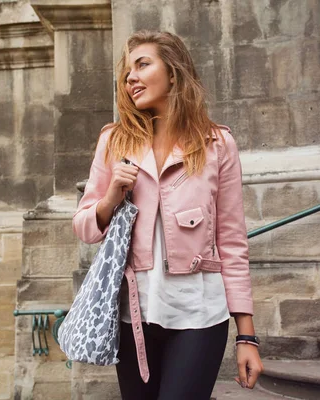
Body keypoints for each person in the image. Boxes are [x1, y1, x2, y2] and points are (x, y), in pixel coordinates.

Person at [72, 30, 263, 400]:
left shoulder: (217, 144)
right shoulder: (114, 141)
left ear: (173, 72)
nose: (131, 78)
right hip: (133, 318)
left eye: (143, 64)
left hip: (200, 315)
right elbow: (84, 227)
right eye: (127, 71)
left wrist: (246, 336)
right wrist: (110, 196)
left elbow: (233, 242)